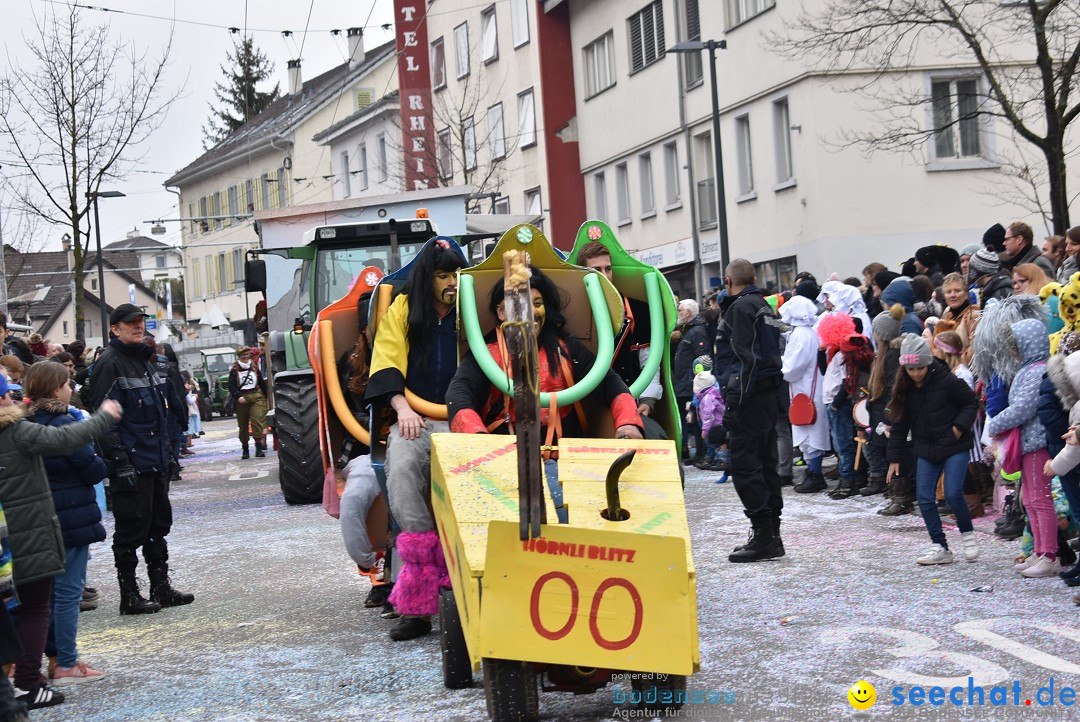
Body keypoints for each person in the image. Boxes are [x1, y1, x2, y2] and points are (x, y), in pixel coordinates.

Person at [447, 269, 644, 500]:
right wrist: (477, 440)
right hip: (504, 470)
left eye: (538, 303)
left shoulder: (567, 349)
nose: (531, 311)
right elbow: (459, 395)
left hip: (569, 466)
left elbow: (610, 384)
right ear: (501, 312)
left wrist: (628, 423)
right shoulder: (485, 355)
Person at [0, 371, 122, 709]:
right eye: (7, 394)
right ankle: (30, 681)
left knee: (15, 608)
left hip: (7, 540)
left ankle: (22, 677)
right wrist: (104, 417)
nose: (14, 398)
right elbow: (69, 440)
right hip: (31, 533)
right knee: (40, 606)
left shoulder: (22, 426)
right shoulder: (18, 431)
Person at [365, 238, 466, 641]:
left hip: (467, 419)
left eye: (456, 273)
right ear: (428, 279)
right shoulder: (404, 309)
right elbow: (386, 362)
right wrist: (403, 409)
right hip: (417, 419)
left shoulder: (471, 310)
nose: (451, 282)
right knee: (403, 471)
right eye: (443, 274)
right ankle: (419, 603)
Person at [83, 303, 194, 615]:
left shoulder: (143, 360)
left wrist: (169, 455)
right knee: (131, 530)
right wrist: (121, 463)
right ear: (114, 329)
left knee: (158, 525)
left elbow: (163, 414)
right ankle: (129, 594)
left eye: (141, 322)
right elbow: (104, 420)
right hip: (132, 463)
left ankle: (161, 586)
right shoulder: (110, 363)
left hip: (155, 460)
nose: (138, 326)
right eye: (130, 323)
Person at [23, 362, 108, 684]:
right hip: (70, 515)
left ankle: (48, 657)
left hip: (36, 517)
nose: (71, 388)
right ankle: (66, 662)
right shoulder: (65, 423)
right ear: (57, 388)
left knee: (40, 596)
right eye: (67, 383)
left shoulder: (25, 423)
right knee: (69, 592)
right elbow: (93, 470)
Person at [886, 334, 979, 565]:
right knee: (924, 498)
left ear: (927, 362)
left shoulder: (947, 380)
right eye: (911, 369)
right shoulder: (904, 389)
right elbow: (899, 423)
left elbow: (971, 402)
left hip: (953, 445)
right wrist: (894, 457)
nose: (916, 373)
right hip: (926, 448)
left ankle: (967, 535)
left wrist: (958, 428)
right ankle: (940, 546)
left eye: (920, 367)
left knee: (953, 492)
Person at [714, 259, 784, 563]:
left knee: (745, 465)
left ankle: (765, 535)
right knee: (765, 463)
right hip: (767, 393)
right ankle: (772, 534)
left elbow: (745, 360)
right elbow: (780, 337)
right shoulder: (764, 306)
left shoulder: (741, 309)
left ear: (728, 281)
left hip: (750, 395)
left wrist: (735, 402)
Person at [986, 319, 1061, 577]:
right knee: (1029, 499)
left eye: (1016, 345)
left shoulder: (1037, 371)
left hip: (1037, 441)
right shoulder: (1028, 369)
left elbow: (1023, 408)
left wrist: (995, 424)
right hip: (1028, 441)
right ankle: (1040, 552)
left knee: (1040, 499)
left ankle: (1049, 555)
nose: (1013, 351)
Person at [576, 241, 664, 419]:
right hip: (585, 409)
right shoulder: (573, 313)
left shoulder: (638, 310)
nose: (605, 276)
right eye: (596, 270)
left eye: (608, 269)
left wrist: (647, 401)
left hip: (629, 404)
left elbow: (649, 362)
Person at [780, 294, 831, 494]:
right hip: (805, 387)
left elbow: (794, 366)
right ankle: (812, 471)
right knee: (808, 432)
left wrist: (781, 365)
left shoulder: (801, 334)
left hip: (806, 388)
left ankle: (815, 473)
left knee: (811, 432)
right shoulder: (805, 332)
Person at [674, 300, 709, 463]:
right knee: (691, 418)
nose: (678, 313)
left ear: (688, 312)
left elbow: (702, 357)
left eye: (679, 310)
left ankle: (702, 454)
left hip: (692, 383)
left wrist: (697, 381)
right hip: (686, 381)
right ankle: (699, 454)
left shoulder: (697, 331)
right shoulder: (688, 330)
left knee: (696, 418)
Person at [228, 347, 268, 459]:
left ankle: (259, 448)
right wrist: (238, 396)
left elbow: (261, 383)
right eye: (242, 356)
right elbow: (231, 386)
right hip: (242, 398)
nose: (245, 358)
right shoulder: (235, 369)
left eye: (247, 355)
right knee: (243, 426)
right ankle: (245, 449)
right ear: (239, 357)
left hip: (256, 397)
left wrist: (267, 398)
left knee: (257, 421)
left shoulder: (254, 367)